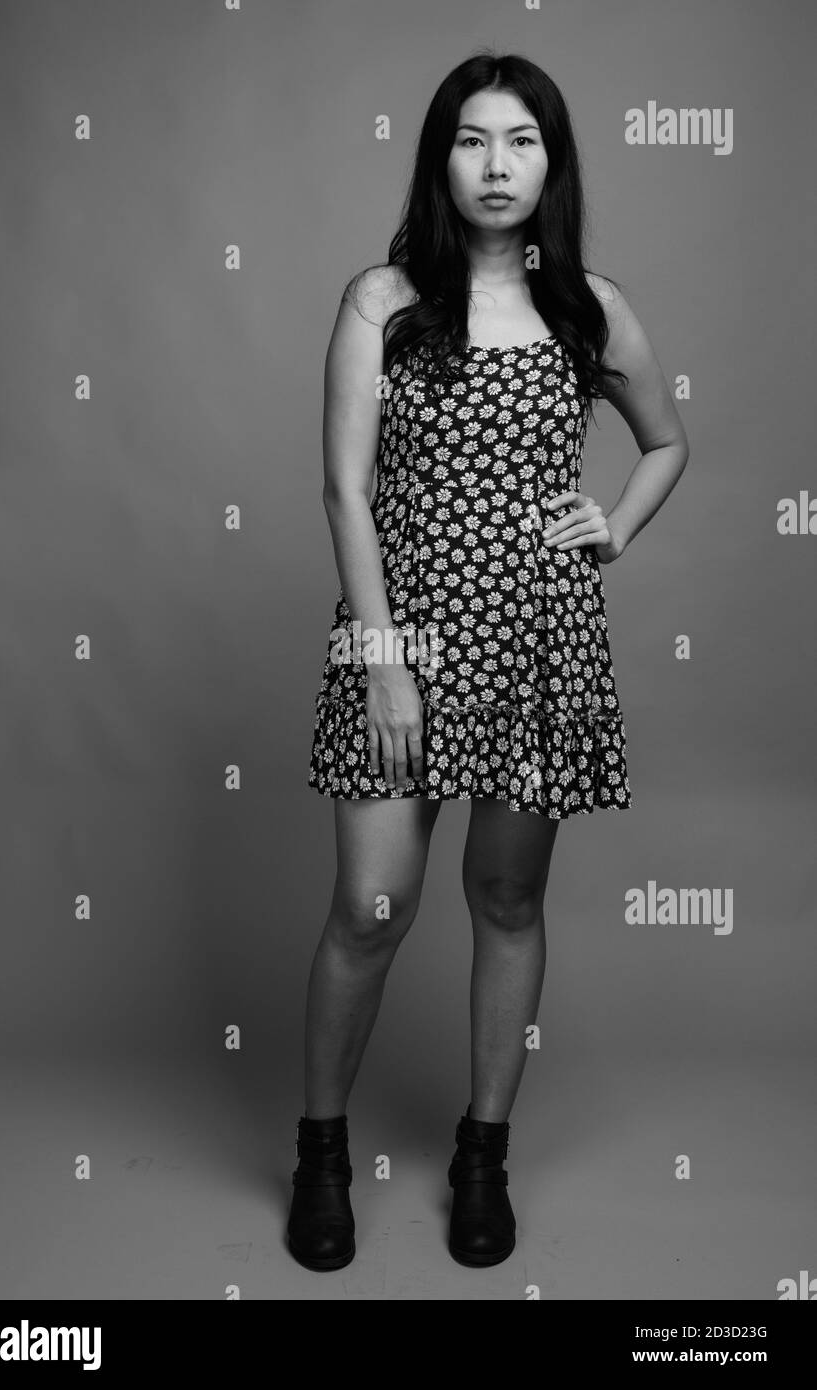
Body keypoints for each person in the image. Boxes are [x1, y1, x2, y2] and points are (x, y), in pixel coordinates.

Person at [290, 52, 689, 1272]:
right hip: (403, 632)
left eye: (522, 141)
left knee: (507, 900)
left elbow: (666, 443)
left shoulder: (591, 308)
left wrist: (611, 524)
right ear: (441, 157)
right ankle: (319, 1153)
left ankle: (482, 1156)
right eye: (473, 140)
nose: (498, 163)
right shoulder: (384, 300)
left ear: (553, 164)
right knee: (373, 909)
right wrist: (384, 662)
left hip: (539, 642)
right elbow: (345, 494)